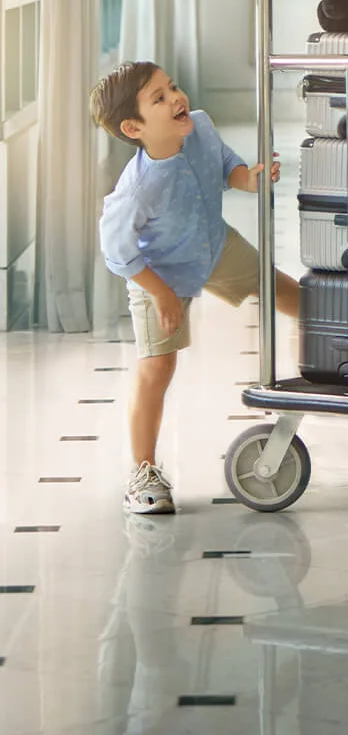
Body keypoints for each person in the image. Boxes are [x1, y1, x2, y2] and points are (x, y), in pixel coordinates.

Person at [91, 62, 299, 515]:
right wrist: (162, 294)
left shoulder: (200, 126)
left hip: (213, 246)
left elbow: (227, 167)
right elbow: (119, 255)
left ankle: (334, 360)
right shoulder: (137, 190)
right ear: (134, 127)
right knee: (157, 369)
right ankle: (142, 473)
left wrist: (250, 178)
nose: (176, 99)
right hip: (159, 273)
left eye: (173, 87)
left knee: (289, 293)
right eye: (159, 99)